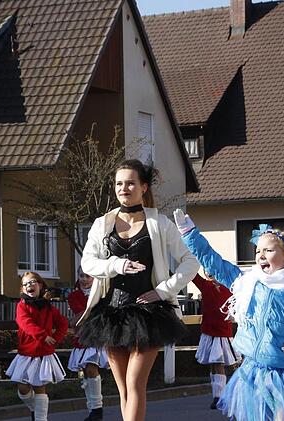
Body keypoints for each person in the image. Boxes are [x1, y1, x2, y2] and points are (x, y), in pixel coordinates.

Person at [175, 215, 284, 421]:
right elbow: (214, 262)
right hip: (253, 372)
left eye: (268, 250)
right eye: (258, 251)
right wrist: (189, 233)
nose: (261, 255)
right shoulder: (249, 282)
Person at [78, 159, 200, 421]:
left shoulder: (160, 223)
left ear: (143, 187)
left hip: (149, 314)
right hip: (111, 314)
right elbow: (87, 262)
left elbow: (191, 261)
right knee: (123, 389)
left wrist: (163, 290)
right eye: (119, 183)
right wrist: (116, 264)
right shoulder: (102, 223)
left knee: (135, 383)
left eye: (130, 183)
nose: (124, 188)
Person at [6, 272, 68, 421]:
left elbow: (63, 323)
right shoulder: (22, 306)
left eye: (32, 282)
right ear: (23, 289)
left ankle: (41, 418)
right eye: (25, 284)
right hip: (26, 353)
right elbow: (25, 323)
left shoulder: (49, 308)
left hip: (43, 353)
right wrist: (43, 335)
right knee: (23, 388)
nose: (29, 285)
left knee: (40, 387)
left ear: (40, 285)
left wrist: (55, 339)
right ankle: (34, 408)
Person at [192, 268, 241, 409]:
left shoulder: (230, 286)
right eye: (206, 270)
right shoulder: (205, 285)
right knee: (214, 365)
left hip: (223, 333)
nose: (209, 273)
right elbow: (191, 273)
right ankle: (218, 395)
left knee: (219, 364)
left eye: (212, 269)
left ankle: (221, 396)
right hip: (209, 332)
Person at [67, 269, 109, 421]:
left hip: (99, 336)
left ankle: (97, 409)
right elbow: (82, 313)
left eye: (87, 276)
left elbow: (102, 312)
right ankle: (93, 410)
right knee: (86, 372)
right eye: (81, 276)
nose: (84, 279)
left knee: (91, 369)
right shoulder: (74, 296)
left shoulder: (102, 293)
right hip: (83, 337)